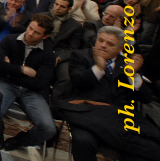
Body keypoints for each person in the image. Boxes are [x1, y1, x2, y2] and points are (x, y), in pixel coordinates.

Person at [56, 26, 160, 161]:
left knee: (152, 149)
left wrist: (133, 75)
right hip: (88, 115)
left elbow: (146, 98)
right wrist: (99, 68)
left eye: (110, 44)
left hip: (119, 120)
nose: (103, 46)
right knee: (83, 141)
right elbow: (78, 81)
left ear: (121, 49)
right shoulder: (81, 56)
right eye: (101, 41)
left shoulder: (128, 64)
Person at [0, 14, 57, 152]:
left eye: (36, 33)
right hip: (6, 84)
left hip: (32, 92)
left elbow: (39, 83)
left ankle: (19, 140)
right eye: (30, 28)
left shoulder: (48, 54)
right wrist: (22, 70)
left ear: (45, 36)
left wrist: (10, 71)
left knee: (48, 128)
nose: (30, 33)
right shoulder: (9, 40)